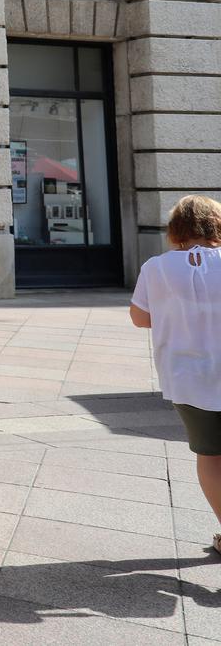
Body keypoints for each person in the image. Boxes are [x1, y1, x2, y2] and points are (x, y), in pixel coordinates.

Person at [129, 195, 221, 556]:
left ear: (175, 230)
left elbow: (140, 318)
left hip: (188, 378)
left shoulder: (156, 268)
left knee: (210, 454)